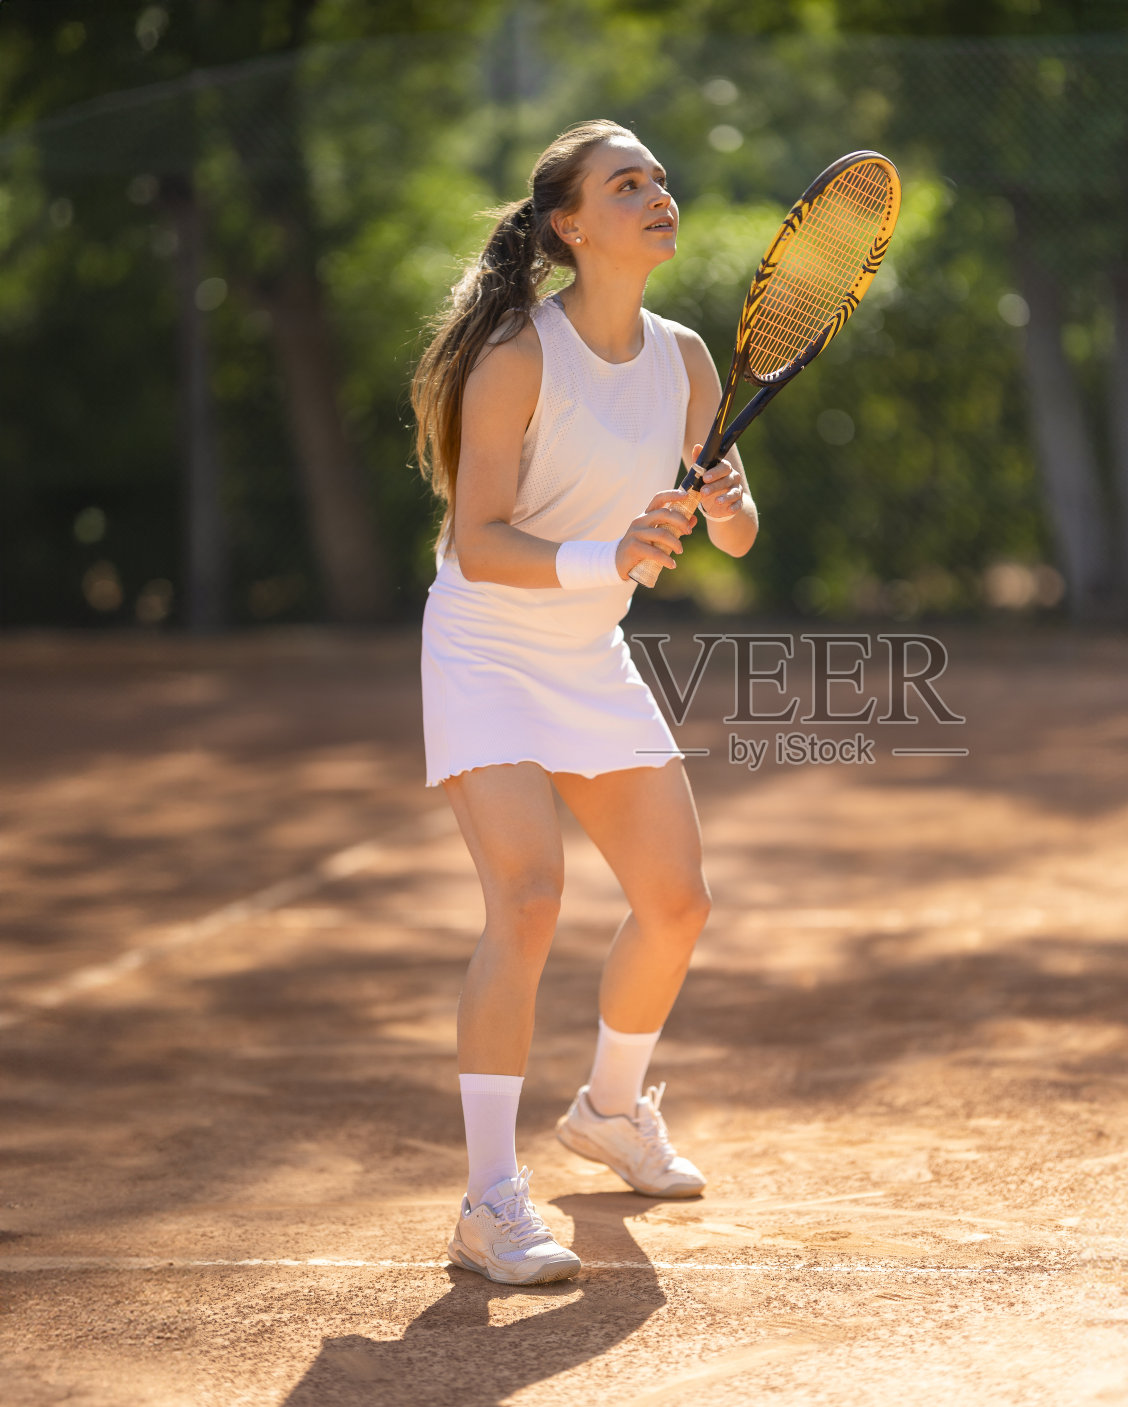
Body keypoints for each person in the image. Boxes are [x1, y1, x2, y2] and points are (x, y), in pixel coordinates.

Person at [409, 118, 757, 1286]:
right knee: (529, 896)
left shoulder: (691, 361)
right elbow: (478, 539)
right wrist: (610, 551)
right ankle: (489, 1199)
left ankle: (609, 1112)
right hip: (487, 646)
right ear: (570, 225)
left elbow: (738, 531)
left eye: (659, 177)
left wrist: (722, 503)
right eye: (627, 183)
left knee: (676, 903)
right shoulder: (516, 355)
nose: (658, 194)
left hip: (586, 652)